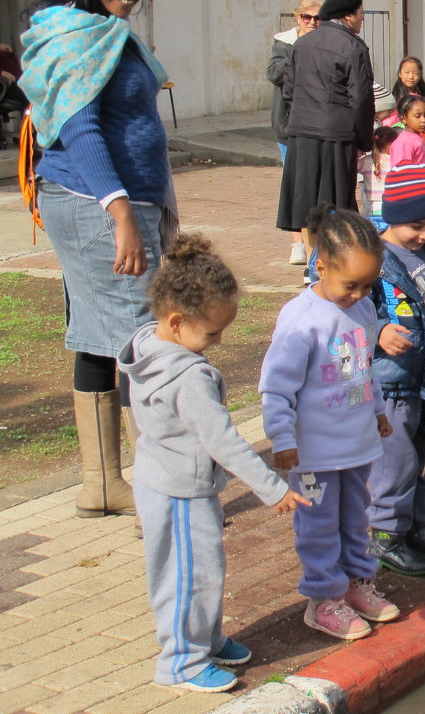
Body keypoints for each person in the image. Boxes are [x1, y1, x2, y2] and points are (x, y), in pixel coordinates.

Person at [20, 0, 174, 519]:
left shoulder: (104, 29)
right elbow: (79, 130)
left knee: (99, 335)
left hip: (118, 203)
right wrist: (121, 215)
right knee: (143, 339)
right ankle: (156, 485)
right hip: (94, 204)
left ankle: (104, 484)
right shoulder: (73, 34)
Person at [118, 234, 309, 693]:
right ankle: (180, 660)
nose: (217, 342)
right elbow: (224, 441)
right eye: (212, 333)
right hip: (180, 491)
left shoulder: (149, 345)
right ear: (178, 321)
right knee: (189, 573)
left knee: (200, 568)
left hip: (164, 479)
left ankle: (204, 637)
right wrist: (273, 488)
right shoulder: (188, 379)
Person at [260, 207, 398, 641]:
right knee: (318, 527)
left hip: (357, 448)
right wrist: (281, 439)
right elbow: (277, 389)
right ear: (320, 266)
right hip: (315, 455)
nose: (358, 294)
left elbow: (364, 369)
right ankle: (324, 599)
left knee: (357, 519)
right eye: (349, 285)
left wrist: (376, 411)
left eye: (367, 285)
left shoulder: (362, 311)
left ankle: (357, 584)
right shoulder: (301, 321)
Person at [368, 164, 425, 575]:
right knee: (395, 461)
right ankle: (384, 534)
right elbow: (347, 309)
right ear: (392, 216)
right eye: (416, 225)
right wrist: (378, 330)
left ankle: (412, 527)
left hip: (423, 374)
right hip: (393, 381)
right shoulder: (373, 260)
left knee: (415, 458)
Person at [277, 0, 373, 265]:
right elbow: (361, 99)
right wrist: (365, 140)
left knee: (306, 204)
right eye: (360, 13)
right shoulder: (353, 46)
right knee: (337, 205)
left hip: (302, 132)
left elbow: (289, 91)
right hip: (336, 135)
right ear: (347, 15)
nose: (362, 19)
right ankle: (330, 263)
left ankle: (311, 265)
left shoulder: (302, 44)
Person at [268, 0, 321, 267]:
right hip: (289, 125)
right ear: (297, 17)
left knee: (313, 186)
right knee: (294, 185)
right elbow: (275, 74)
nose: (312, 22)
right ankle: (296, 243)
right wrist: (299, 50)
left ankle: (315, 242)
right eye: (307, 17)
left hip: (315, 123)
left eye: (317, 18)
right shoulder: (284, 43)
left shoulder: (325, 43)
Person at [388, 95, 425, 168]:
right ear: (403, 118)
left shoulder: (417, 138)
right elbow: (402, 171)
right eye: (417, 116)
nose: (424, 120)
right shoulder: (404, 143)